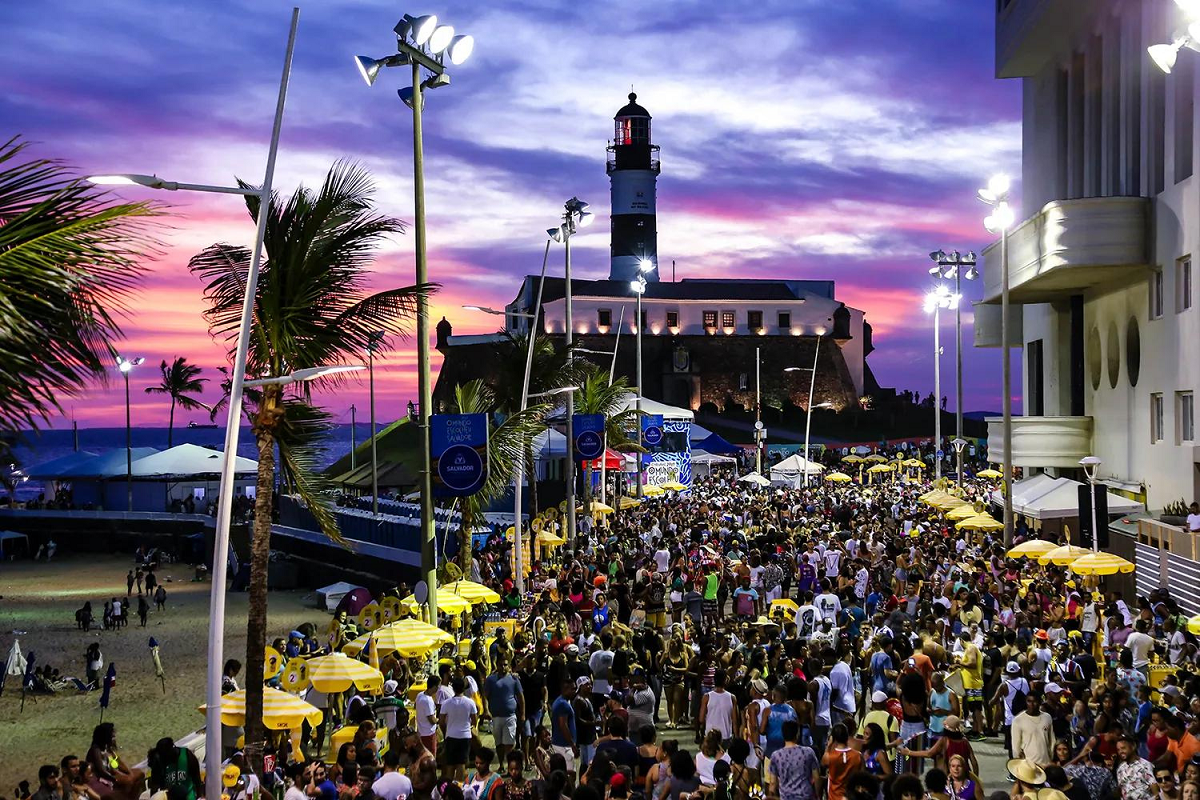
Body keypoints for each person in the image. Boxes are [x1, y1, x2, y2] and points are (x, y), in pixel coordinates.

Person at [86, 723, 144, 800]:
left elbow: (118, 762)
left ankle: (132, 797)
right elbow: (101, 770)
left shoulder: (107, 748)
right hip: (101, 778)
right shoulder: (95, 750)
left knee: (140, 773)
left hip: (110, 773)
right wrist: (114, 779)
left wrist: (128, 772)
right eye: (112, 736)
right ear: (105, 736)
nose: (114, 737)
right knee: (128, 781)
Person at [483, 657, 525, 763]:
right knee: (498, 743)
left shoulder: (514, 679)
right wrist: (486, 710)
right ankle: (501, 764)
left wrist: (523, 713)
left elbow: (520, 697)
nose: (503, 667)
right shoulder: (490, 680)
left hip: (510, 715)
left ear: (509, 666)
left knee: (509, 743)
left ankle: (510, 765)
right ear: (497, 666)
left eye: (505, 665)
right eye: (501, 665)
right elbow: (485, 696)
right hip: (495, 716)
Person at [766, 720, 819, 800]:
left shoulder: (776, 756)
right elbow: (816, 777)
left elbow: (773, 783)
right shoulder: (808, 752)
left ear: (783, 735)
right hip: (806, 796)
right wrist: (818, 795)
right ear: (797, 734)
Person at [439, 677, 477, 782]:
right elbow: (474, 721)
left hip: (450, 736)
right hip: (465, 736)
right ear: (464, 688)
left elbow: (441, 722)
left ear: (453, 689)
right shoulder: (470, 702)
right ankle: (459, 789)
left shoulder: (446, 703)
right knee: (461, 764)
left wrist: (446, 732)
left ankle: (448, 790)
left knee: (450, 765)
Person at [1012, 692, 1053, 766]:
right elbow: (1015, 745)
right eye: (1029, 701)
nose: (1032, 704)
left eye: (1035, 701)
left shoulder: (1047, 717)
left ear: (1040, 702)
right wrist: (1018, 761)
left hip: (1046, 762)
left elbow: (1051, 740)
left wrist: (1051, 757)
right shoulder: (1018, 720)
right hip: (1028, 764)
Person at [823, 724, 862, 800]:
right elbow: (862, 777)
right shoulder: (858, 756)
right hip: (852, 796)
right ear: (847, 735)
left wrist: (828, 746)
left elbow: (823, 763)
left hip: (833, 797)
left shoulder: (829, 757)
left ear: (833, 738)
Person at [551, 678, 579, 778]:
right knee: (570, 774)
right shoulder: (563, 704)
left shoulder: (561, 701)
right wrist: (572, 745)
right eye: (573, 689)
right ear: (565, 689)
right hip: (564, 746)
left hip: (562, 744)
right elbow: (563, 725)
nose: (575, 692)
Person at [1115, 734, 1156, 800]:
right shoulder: (1120, 769)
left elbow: (1155, 789)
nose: (1120, 752)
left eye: (1123, 748)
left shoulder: (1145, 765)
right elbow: (1120, 790)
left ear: (1133, 747)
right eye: (1118, 750)